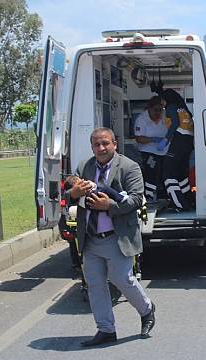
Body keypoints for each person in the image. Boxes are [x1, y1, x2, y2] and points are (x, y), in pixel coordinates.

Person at [66, 128, 156, 346]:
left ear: (115, 144)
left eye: (105, 143)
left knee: (122, 279)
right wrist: (74, 193)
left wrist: (109, 206)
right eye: (96, 145)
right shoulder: (85, 167)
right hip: (90, 238)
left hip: (117, 237)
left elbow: (136, 199)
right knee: (95, 285)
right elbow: (69, 192)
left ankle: (146, 310)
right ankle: (106, 329)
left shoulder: (128, 166)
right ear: (92, 147)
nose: (101, 148)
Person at [160, 89, 194, 211]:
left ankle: (178, 204)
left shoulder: (171, 107)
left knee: (168, 174)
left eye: (162, 99)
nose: (162, 103)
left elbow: (174, 124)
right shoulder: (183, 109)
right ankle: (188, 201)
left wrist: (166, 139)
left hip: (178, 142)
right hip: (188, 144)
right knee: (181, 175)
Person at [134, 96, 168, 201]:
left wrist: (166, 140)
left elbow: (170, 128)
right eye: (156, 110)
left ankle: (163, 197)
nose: (158, 113)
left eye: (161, 110)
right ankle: (149, 197)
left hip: (163, 151)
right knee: (151, 174)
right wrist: (153, 139)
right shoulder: (142, 119)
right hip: (148, 151)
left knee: (163, 174)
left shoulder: (164, 115)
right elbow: (139, 138)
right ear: (149, 108)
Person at [63, 175, 129, 207]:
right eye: (80, 179)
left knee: (107, 192)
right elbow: (93, 185)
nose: (82, 179)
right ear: (77, 182)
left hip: (89, 199)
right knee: (107, 189)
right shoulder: (83, 184)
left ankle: (118, 196)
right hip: (92, 196)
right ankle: (120, 197)